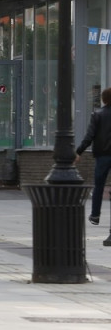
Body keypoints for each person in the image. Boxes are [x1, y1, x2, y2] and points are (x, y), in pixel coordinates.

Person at [76, 87, 111, 226]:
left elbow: (89, 136)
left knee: (99, 186)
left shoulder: (98, 114)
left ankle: (95, 215)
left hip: (102, 156)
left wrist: (78, 152)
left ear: (104, 99)